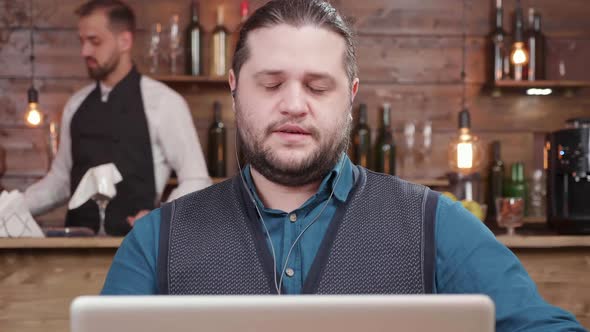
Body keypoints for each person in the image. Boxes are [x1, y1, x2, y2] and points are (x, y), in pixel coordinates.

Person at [101, 0, 585, 330]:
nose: (293, 104)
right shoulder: (155, 242)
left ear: (350, 97)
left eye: (317, 86)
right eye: (271, 84)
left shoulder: (434, 224)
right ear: (234, 87)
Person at [24, 0, 211, 236]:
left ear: (125, 41)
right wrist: (12, 207)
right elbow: (60, 180)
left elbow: (197, 179)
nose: (85, 52)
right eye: (82, 41)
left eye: (95, 41)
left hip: (138, 249)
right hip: (72, 249)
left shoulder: (164, 103)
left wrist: (160, 216)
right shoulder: (75, 105)